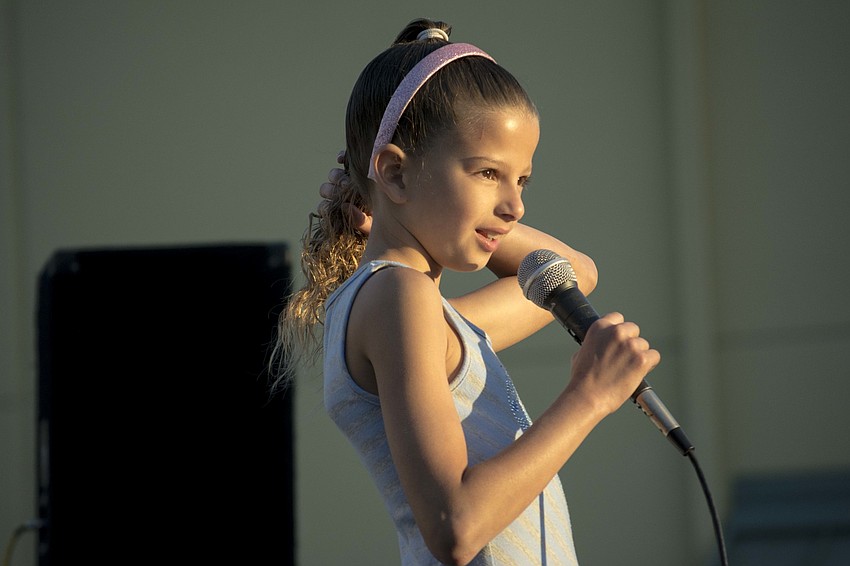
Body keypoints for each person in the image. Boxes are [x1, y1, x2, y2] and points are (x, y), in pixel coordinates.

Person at [273, 18, 660, 566]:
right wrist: (589, 397)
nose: (515, 206)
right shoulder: (397, 299)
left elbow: (571, 271)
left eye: (521, 180)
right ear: (398, 174)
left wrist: (380, 198)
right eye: (486, 173)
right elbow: (455, 527)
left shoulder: (421, 314)